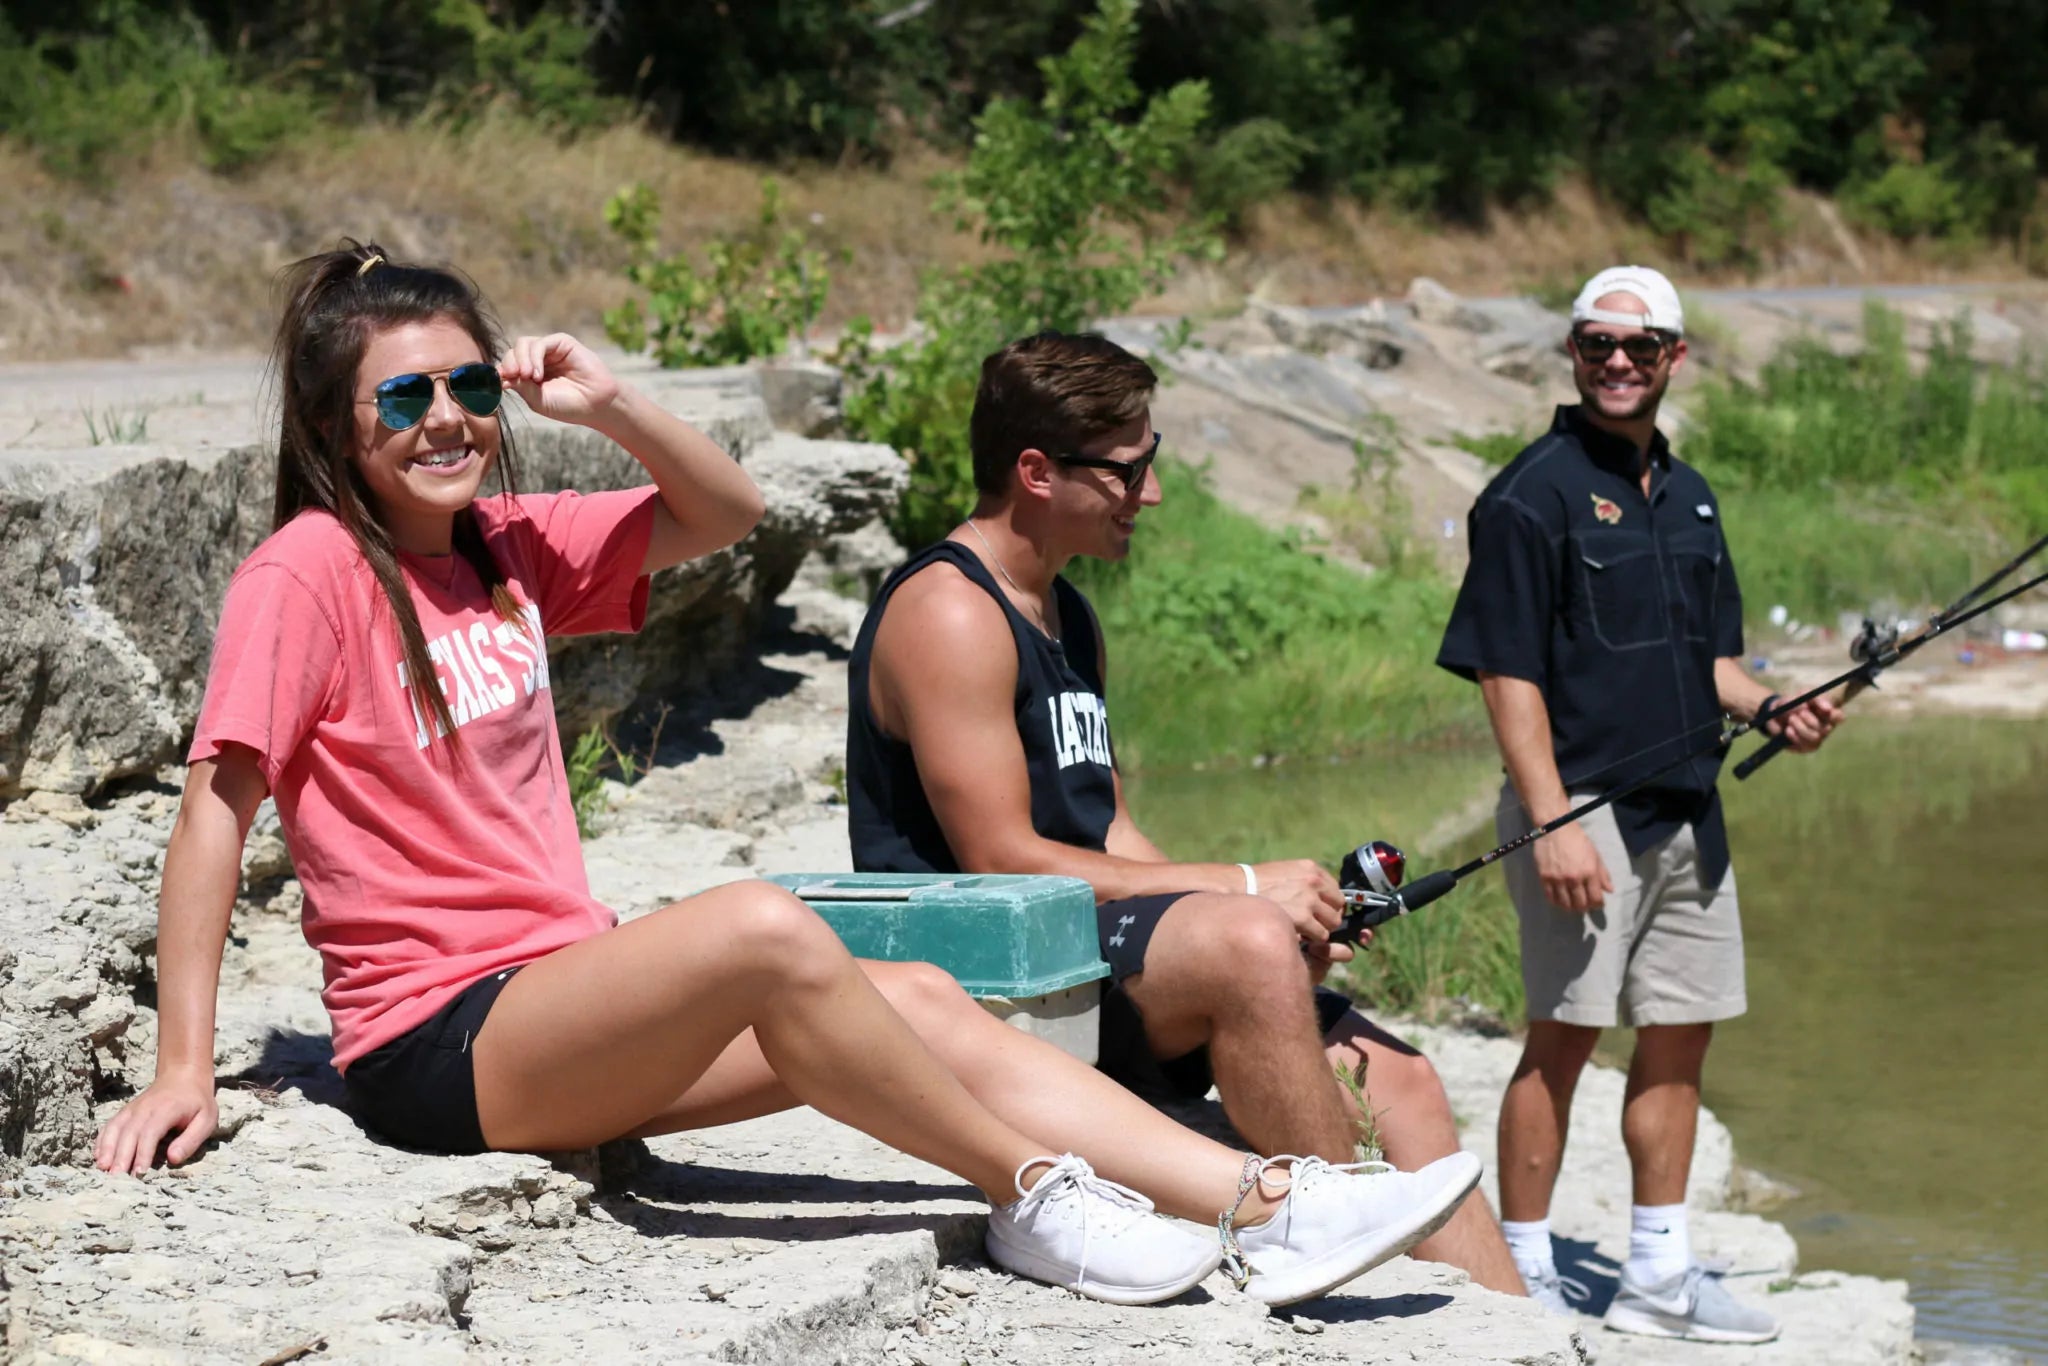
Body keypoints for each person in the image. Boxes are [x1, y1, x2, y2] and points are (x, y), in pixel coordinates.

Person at [91, 241, 1483, 1313]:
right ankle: (1034, 1195)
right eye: (405, 396)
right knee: (763, 922)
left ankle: (1274, 1201)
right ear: (337, 427)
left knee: (917, 996)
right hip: (435, 1044)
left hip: (564, 1002)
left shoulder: (504, 547)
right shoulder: (307, 574)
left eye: (469, 385)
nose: (447, 417)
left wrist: (608, 403)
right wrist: (183, 1065)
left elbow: (728, 513)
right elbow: (216, 811)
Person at [847, 329, 1526, 1298]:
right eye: (1127, 470)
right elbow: (1001, 857)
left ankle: (1512, 1338)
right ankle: (1329, 1257)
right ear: (1035, 472)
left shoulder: (1065, 612)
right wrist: (1242, 896)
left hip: (1079, 953)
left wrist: (1262, 925)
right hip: (989, 985)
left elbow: (1110, 830)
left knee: (1400, 1078)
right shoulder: (949, 612)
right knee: (1245, 938)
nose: (1151, 493)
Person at [1436, 265, 1841, 1340]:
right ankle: (1520, 1273)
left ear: (1674, 357)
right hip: (1579, 813)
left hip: (1688, 813)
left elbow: (1713, 660)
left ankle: (1658, 1276)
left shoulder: (1692, 495)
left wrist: (1772, 707)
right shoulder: (1527, 495)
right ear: (1572, 352)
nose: (1617, 361)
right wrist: (1550, 819)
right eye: (1596, 343)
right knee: (1561, 1039)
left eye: (1640, 345)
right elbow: (1504, 671)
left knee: (1679, 1037)